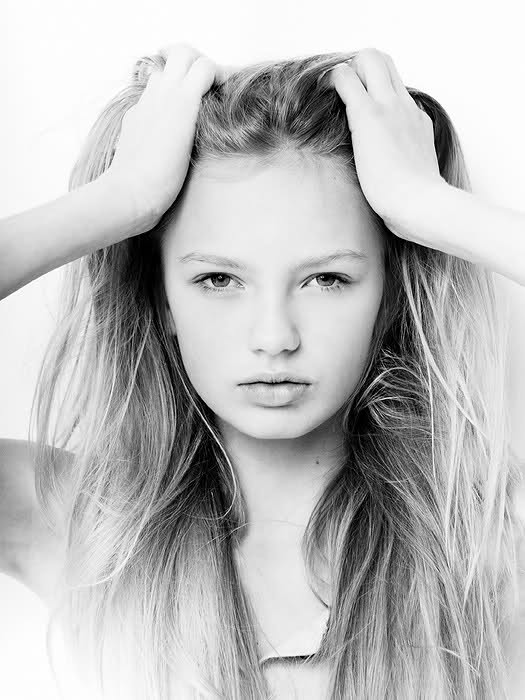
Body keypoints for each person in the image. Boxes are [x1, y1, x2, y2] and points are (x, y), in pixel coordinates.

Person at [1, 43, 524, 700]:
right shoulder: (81, 524)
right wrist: (118, 201)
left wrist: (427, 204)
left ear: (388, 297)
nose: (274, 337)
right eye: (218, 279)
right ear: (161, 300)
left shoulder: (484, 534)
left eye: (327, 278)